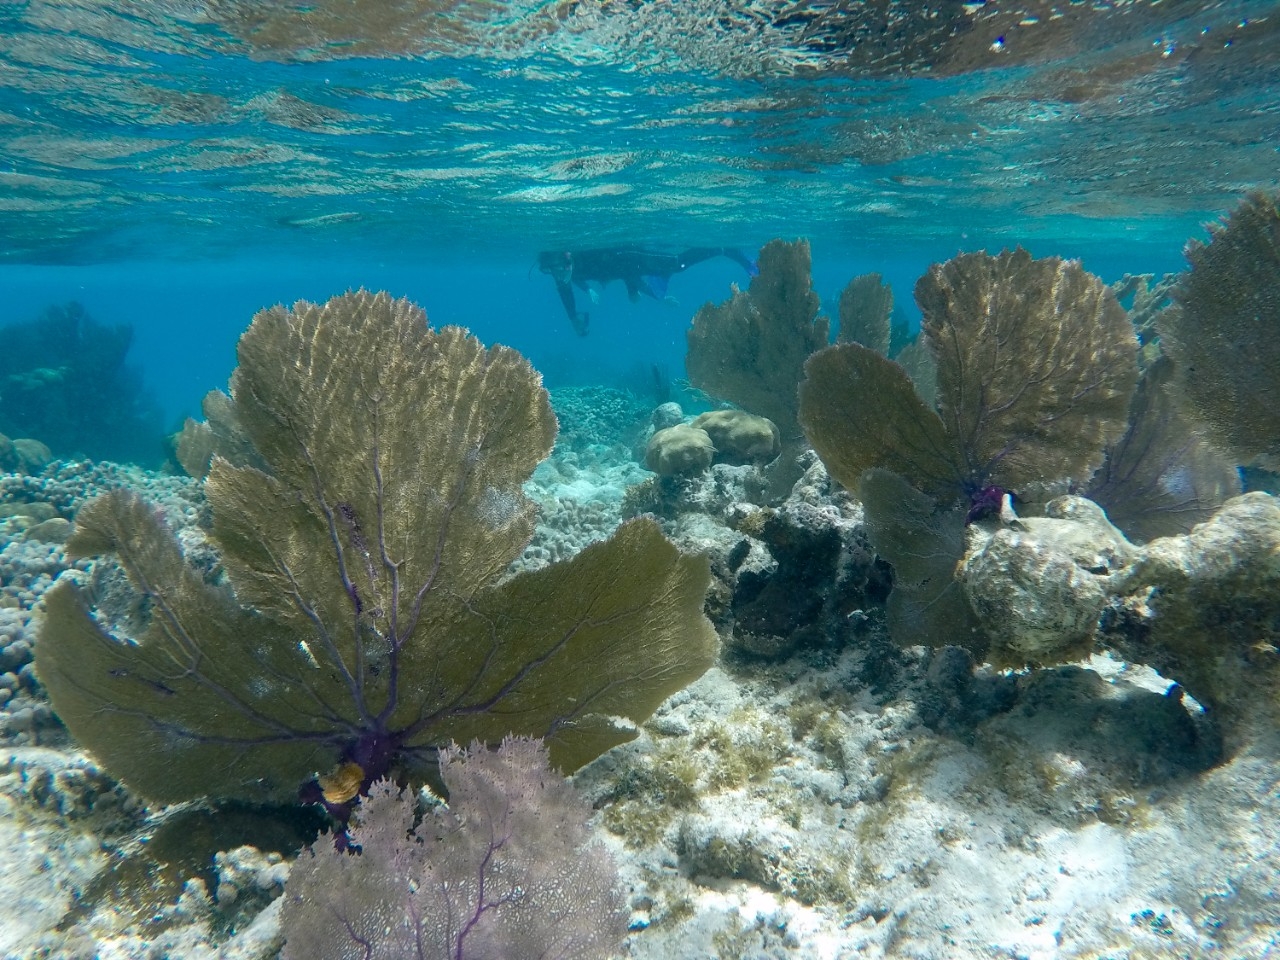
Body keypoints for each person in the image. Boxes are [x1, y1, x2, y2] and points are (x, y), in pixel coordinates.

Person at [536, 245, 758, 335]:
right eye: (550, 272)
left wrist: (632, 290)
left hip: (633, 257)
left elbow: (624, 269)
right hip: (631, 270)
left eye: (557, 269)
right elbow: (564, 290)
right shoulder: (566, 272)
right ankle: (659, 288)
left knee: (677, 264)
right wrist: (573, 317)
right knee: (663, 279)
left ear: (566, 259)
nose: (557, 275)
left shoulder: (588, 259)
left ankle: (728, 251)